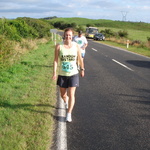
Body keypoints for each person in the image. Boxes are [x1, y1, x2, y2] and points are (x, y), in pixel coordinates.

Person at [52, 28, 85, 122]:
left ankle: (69, 114)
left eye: (70, 35)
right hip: (62, 74)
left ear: (72, 36)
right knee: (63, 95)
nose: (68, 37)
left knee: (71, 94)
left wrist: (82, 69)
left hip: (73, 74)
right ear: (64, 36)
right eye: (66, 35)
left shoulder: (76, 46)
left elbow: (80, 59)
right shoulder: (59, 46)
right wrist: (54, 72)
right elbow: (55, 60)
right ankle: (66, 101)